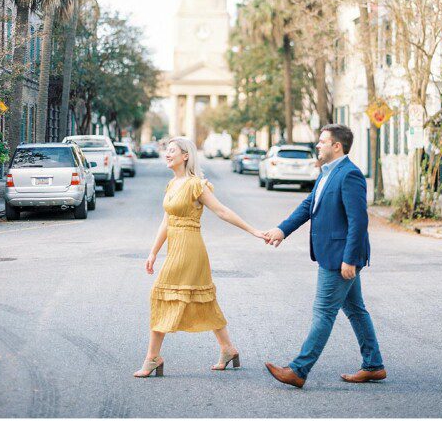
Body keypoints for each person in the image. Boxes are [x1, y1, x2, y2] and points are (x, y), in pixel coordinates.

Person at [262, 124, 385, 388]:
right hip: (333, 254)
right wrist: (282, 230)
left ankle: (298, 369)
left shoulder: (350, 174)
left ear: (336, 146)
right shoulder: (328, 172)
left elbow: (358, 221)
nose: (317, 146)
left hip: (340, 257)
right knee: (355, 309)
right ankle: (374, 365)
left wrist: (350, 259)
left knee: (323, 312)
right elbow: (309, 205)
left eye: (322, 142)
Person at [134, 137, 265, 378]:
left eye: (172, 150)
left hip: (190, 249)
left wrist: (254, 231)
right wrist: (153, 252)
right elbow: (166, 220)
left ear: (186, 156)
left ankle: (152, 358)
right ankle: (228, 349)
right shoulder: (172, 184)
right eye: (166, 150)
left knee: (162, 295)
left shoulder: (196, 184)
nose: (167, 154)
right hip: (175, 247)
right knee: (203, 299)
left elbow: (222, 211)